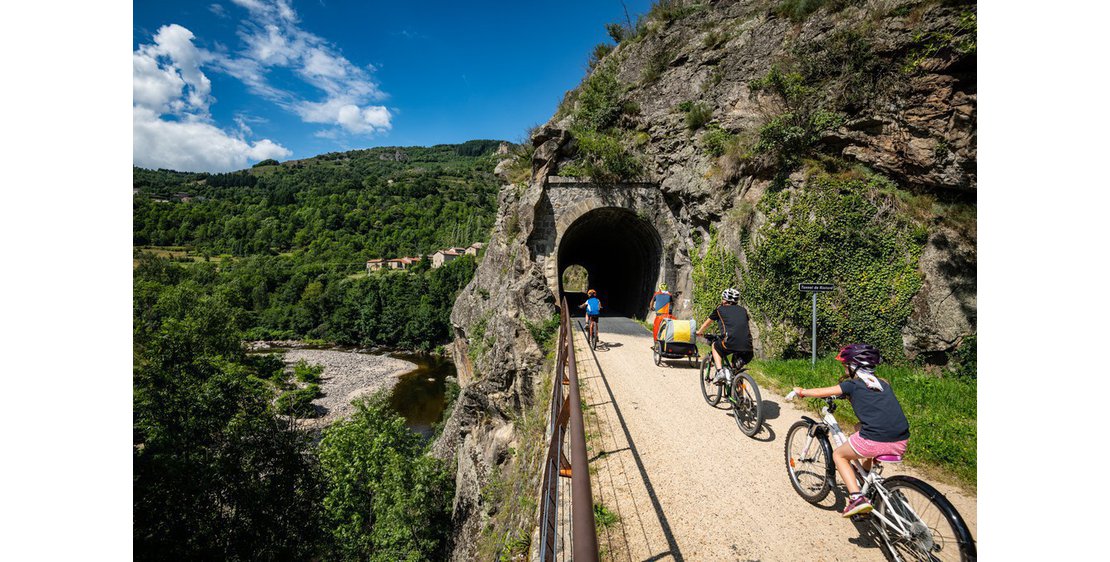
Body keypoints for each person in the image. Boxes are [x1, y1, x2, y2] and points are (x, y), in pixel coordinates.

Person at [791, 344, 911, 518]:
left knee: (839, 455)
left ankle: (856, 498)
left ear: (854, 366)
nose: (844, 367)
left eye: (845, 364)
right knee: (858, 427)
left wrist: (801, 391)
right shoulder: (884, 383)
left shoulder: (851, 385)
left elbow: (821, 392)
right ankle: (867, 473)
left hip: (874, 441)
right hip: (900, 440)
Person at [695, 288, 754, 384]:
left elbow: (706, 324)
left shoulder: (720, 309)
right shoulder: (743, 310)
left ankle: (720, 372)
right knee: (735, 371)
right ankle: (740, 397)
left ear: (725, 300)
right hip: (748, 347)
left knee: (715, 345)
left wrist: (699, 332)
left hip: (730, 342)